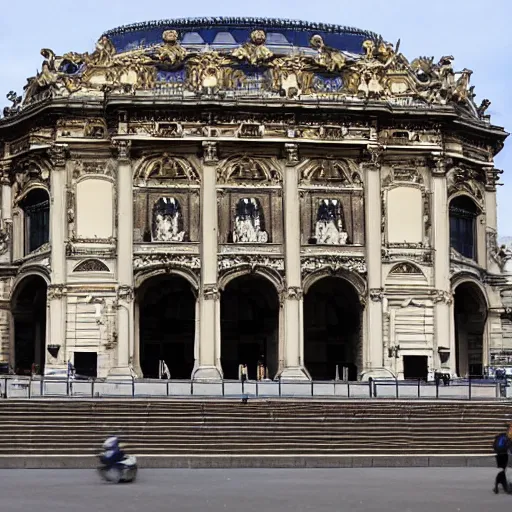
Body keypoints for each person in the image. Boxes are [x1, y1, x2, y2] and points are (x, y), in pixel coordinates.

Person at [493, 427, 511, 494]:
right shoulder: (506, 437)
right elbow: (508, 446)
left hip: (499, 455)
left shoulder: (500, 436)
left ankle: (499, 485)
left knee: (503, 470)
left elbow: (495, 446)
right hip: (504, 454)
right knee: (504, 470)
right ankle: (505, 486)